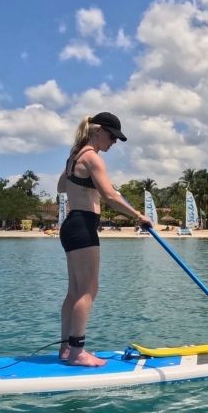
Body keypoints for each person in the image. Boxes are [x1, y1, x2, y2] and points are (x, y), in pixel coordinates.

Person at [56, 111, 150, 367]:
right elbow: (109, 196)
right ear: (98, 131)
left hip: (71, 226)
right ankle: (77, 353)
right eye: (112, 136)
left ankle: (66, 349)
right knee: (88, 290)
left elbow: (61, 187)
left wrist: (85, 188)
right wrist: (138, 215)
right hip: (83, 226)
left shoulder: (73, 156)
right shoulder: (92, 158)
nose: (114, 142)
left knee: (74, 291)